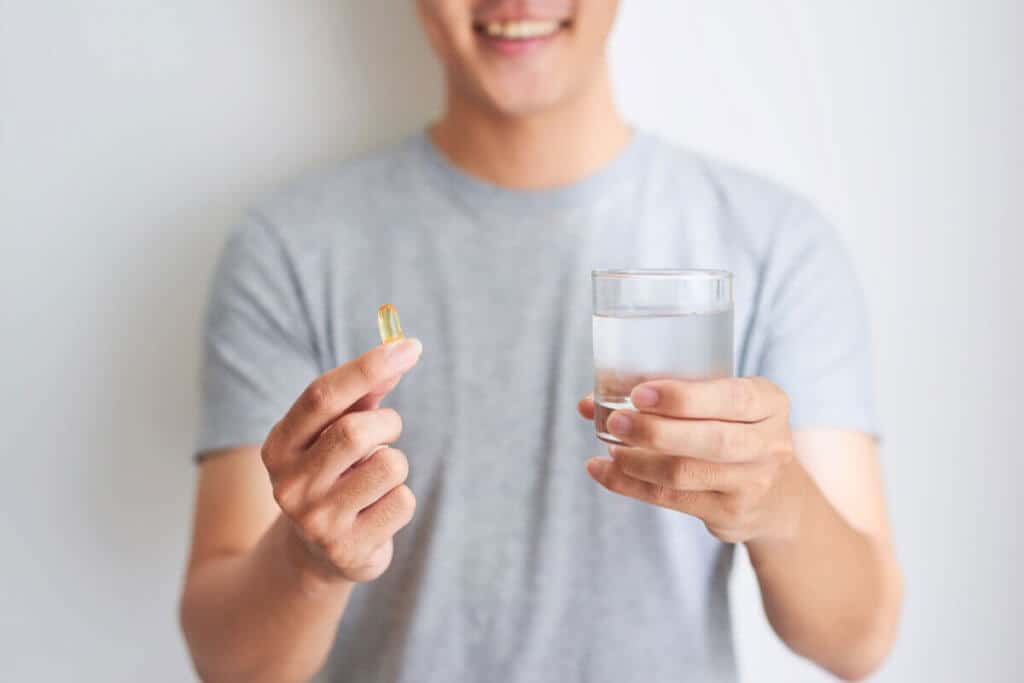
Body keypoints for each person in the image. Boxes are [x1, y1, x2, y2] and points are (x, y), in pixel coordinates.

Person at [179, 2, 903, 681]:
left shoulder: (775, 243)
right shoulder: (290, 249)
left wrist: (777, 500)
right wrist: (308, 561)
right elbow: (228, 659)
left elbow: (858, 637)